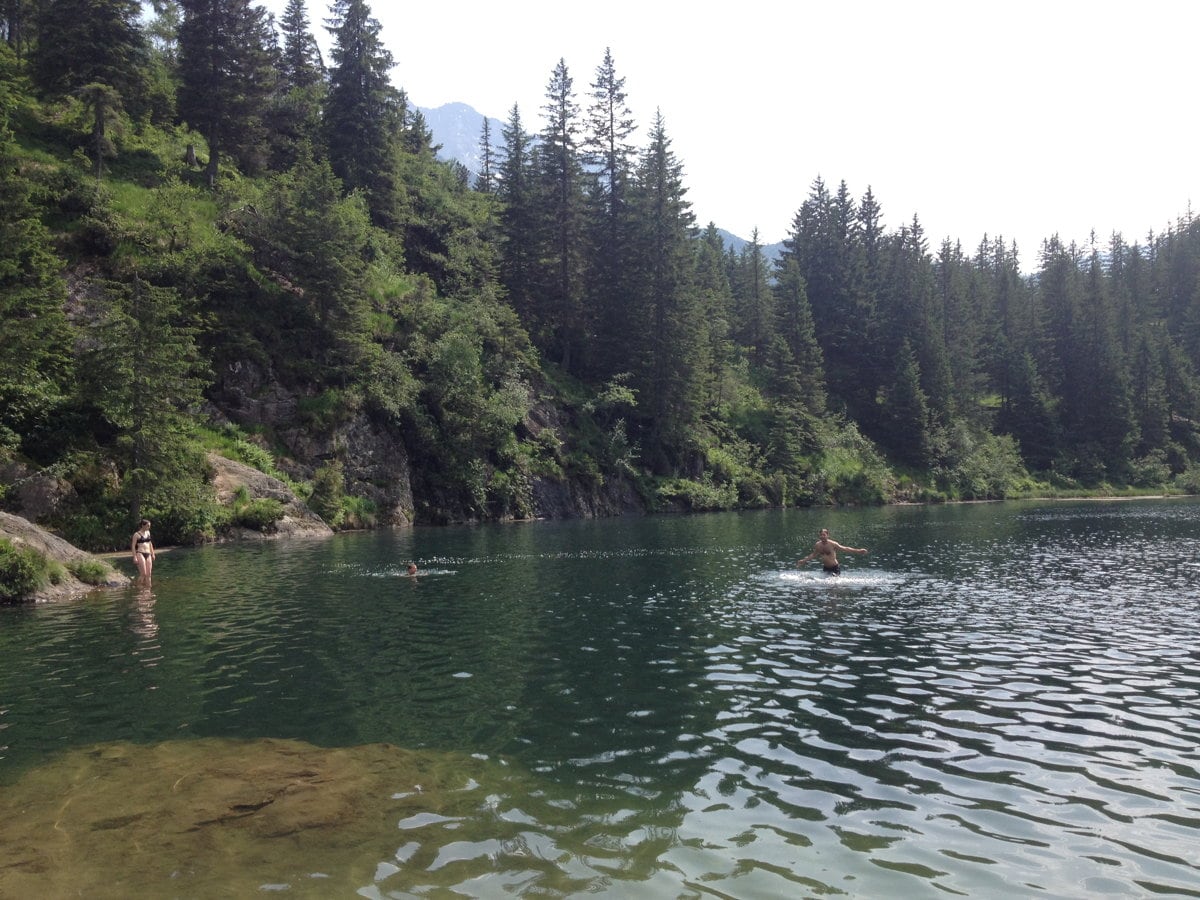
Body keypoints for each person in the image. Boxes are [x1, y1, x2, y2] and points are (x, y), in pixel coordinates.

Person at [797, 527, 867, 575]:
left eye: (824, 535)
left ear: (827, 535)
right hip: (826, 568)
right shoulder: (818, 545)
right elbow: (813, 555)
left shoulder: (832, 544)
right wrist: (803, 561)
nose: (822, 536)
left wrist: (858, 551)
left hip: (835, 568)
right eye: (821, 535)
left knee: (833, 585)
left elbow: (845, 548)